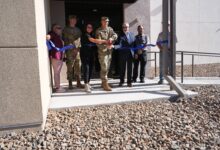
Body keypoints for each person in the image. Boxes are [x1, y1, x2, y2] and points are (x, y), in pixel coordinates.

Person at [80, 23, 109, 93]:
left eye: (91, 27)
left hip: (91, 55)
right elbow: (93, 40)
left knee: (90, 69)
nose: (89, 28)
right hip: (85, 55)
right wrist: (105, 41)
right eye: (88, 27)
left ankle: (88, 83)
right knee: (86, 69)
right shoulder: (85, 35)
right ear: (85, 28)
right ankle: (86, 85)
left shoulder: (91, 34)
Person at [96, 17, 118, 91]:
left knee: (107, 67)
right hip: (102, 53)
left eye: (107, 21)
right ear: (101, 22)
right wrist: (106, 46)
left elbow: (115, 35)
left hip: (109, 52)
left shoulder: (110, 29)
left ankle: (104, 82)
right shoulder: (98, 31)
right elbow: (98, 42)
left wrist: (112, 38)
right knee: (104, 67)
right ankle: (105, 83)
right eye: (105, 21)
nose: (106, 23)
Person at [63, 15, 84, 89]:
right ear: (69, 20)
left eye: (75, 19)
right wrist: (72, 48)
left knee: (78, 65)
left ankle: (78, 82)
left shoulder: (78, 30)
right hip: (69, 51)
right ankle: (70, 83)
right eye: (72, 19)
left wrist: (77, 48)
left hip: (77, 51)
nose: (73, 20)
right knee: (70, 67)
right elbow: (66, 40)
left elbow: (79, 40)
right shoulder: (66, 29)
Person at [47, 24, 64, 92]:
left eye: (60, 27)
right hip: (55, 56)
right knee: (56, 72)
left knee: (58, 72)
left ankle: (58, 86)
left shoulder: (58, 36)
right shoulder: (53, 34)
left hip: (59, 56)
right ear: (54, 29)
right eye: (58, 28)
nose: (60, 29)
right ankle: (57, 88)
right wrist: (48, 36)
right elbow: (49, 36)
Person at [117, 23, 135, 87]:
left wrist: (135, 53)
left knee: (130, 69)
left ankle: (129, 82)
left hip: (130, 54)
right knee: (122, 68)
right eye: (124, 27)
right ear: (122, 28)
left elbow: (134, 45)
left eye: (126, 27)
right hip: (123, 54)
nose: (125, 28)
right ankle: (121, 81)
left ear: (128, 27)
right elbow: (119, 44)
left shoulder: (132, 35)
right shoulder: (120, 35)